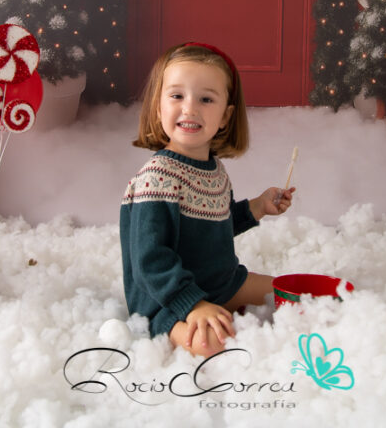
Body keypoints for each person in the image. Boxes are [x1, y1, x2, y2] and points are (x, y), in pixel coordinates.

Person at [120, 42, 295, 358]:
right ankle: (183, 324)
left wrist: (258, 206)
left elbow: (214, 228)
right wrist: (194, 305)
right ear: (158, 107)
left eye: (206, 99)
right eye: (177, 96)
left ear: (226, 116)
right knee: (213, 345)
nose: (190, 108)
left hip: (220, 283)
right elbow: (150, 261)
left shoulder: (215, 172)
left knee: (291, 294)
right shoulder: (157, 179)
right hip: (166, 300)